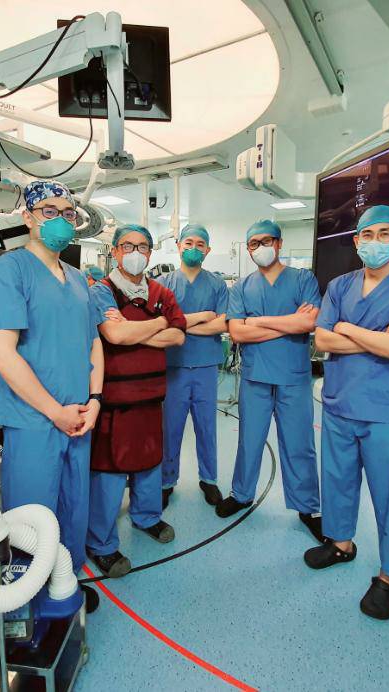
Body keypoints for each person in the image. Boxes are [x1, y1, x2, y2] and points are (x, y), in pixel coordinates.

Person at [305, 204, 389, 621]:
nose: (375, 242)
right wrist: (380, 333)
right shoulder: (339, 285)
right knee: (338, 482)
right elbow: (323, 341)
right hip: (339, 404)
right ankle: (341, 543)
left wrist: (347, 328)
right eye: (368, 235)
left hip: (384, 411)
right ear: (356, 241)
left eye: (386, 234)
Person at [0, 180, 103, 613]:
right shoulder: (7, 272)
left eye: (67, 213)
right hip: (35, 420)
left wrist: (95, 399)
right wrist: (53, 411)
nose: (59, 220)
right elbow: (1, 351)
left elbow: (93, 343)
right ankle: (25, 606)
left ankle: (63, 587)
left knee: (72, 509)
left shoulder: (77, 280)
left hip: (77, 418)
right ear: (28, 217)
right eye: (48, 211)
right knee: (31, 518)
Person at [87, 224, 187, 578]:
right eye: (127, 245)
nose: (135, 252)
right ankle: (101, 543)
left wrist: (137, 333)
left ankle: (147, 517)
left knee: (148, 463)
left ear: (150, 253)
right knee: (110, 472)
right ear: (114, 251)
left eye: (142, 246)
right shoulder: (102, 291)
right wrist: (156, 323)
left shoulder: (161, 292)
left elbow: (177, 335)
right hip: (114, 400)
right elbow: (113, 333)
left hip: (151, 396)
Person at [217, 219, 323, 543]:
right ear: (248, 250)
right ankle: (242, 494)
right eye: (253, 243)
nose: (260, 248)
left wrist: (258, 322)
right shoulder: (241, 288)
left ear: (279, 243)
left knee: (299, 445)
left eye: (266, 241)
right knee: (249, 441)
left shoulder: (303, 279)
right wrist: (288, 322)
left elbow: (309, 322)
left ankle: (308, 507)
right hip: (255, 379)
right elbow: (236, 331)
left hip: (293, 379)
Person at [157, 224, 229, 508]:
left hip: (205, 366)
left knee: (206, 426)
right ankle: (166, 481)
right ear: (178, 245)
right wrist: (202, 319)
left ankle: (208, 480)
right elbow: (163, 323)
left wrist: (183, 324)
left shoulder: (217, 284)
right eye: (189, 242)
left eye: (201, 244)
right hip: (173, 364)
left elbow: (222, 323)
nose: (194, 248)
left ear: (208, 250)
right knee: (170, 427)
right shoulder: (164, 284)